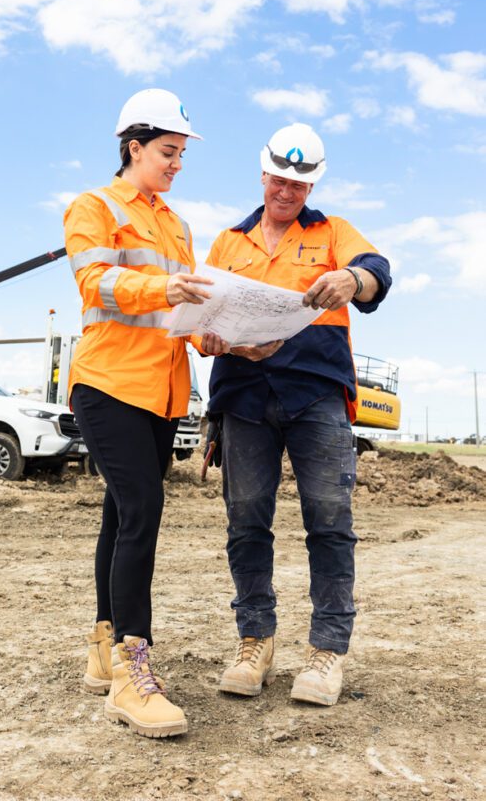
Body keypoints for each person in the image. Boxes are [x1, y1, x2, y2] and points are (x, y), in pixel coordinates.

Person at [206, 122, 391, 707]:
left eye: (300, 183)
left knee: (330, 522)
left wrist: (352, 278)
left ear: (312, 186)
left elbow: (376, 270)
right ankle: (254, 640)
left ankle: (327, 650)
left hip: (316, 396)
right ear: (263, 173)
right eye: (280, 179)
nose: (288, 190)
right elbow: (201, 321)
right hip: (243, 396)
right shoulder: (228, 243)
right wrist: (219, 342)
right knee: (246, 520)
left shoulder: (332, 232)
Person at [64, 88, 224, 739]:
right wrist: (164, 288)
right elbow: (95, 284)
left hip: (162, 392)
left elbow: (181, 310)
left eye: (182, 153)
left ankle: (101, 650)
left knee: (122, 512)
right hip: (107, 384)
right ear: (134, 146)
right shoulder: (93, 207)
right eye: (168, 151)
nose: (177, 164)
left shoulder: (177, 225)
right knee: (144, 510)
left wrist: (210, 335)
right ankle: (133, 673)